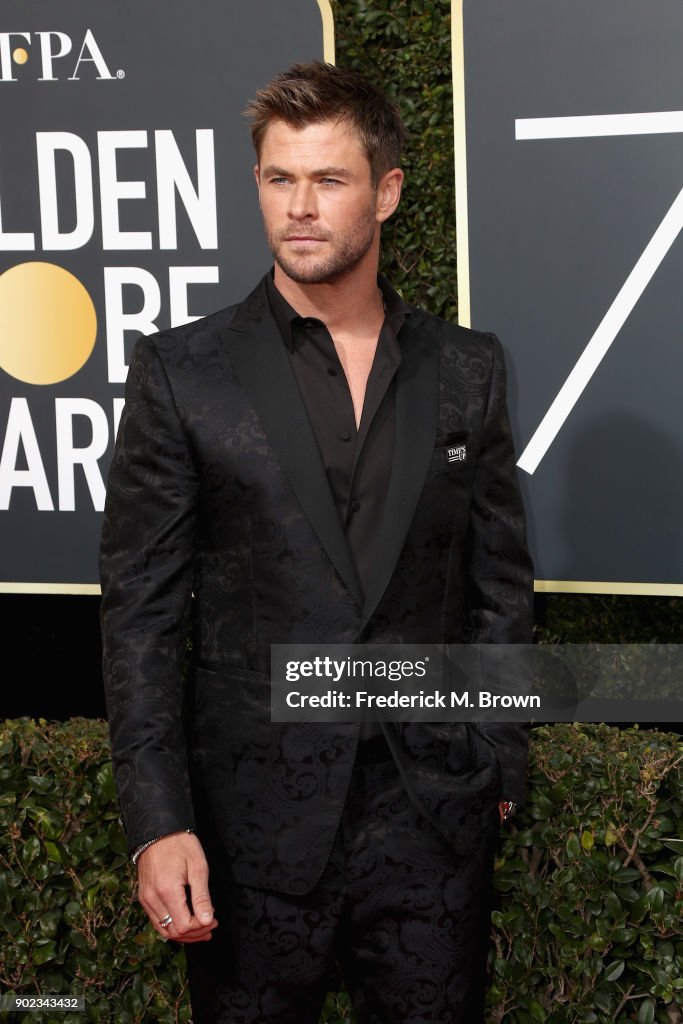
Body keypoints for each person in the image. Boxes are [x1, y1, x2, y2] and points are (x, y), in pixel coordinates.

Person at [100, 60, 534, 1024]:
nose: (298, 207)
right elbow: (142, 615)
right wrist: (157, 821)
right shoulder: (184, 372)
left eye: (327, 180)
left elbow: (497, 582)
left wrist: (497, 759)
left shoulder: (468, 370)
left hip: (429, 832)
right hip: (249, 840)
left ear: (385, 192)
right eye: (278, 179)